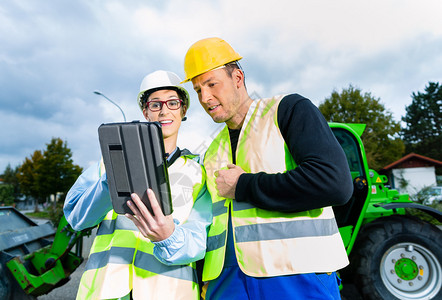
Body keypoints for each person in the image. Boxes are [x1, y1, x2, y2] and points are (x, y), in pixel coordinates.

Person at [181, 37, 354, 299]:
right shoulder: (211, 150)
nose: (205, 97)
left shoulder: (287, 110)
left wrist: (244, 185)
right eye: (197, 90)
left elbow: (334, 183)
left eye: (211, 84)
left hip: (296, 275)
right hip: (226, 282)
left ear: (237, 78)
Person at [63, 70, 212, 300]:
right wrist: (110, 180)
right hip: (106, 292)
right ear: (145, 112)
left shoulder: (197, 174)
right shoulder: (107, 164)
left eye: (173, 103)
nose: (164, 110)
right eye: (155, 105)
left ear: (183, 111)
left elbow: (200, 242)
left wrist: (168, 237)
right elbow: (76, 218)